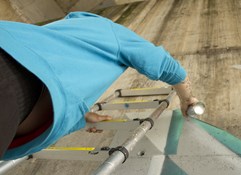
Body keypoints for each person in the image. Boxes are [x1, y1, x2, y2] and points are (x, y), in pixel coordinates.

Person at [0, 12, 198, 161]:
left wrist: (82, 118)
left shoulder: (56, 33)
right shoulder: (107, 28)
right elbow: (161, 62)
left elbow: (56, 69)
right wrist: (187, 98)